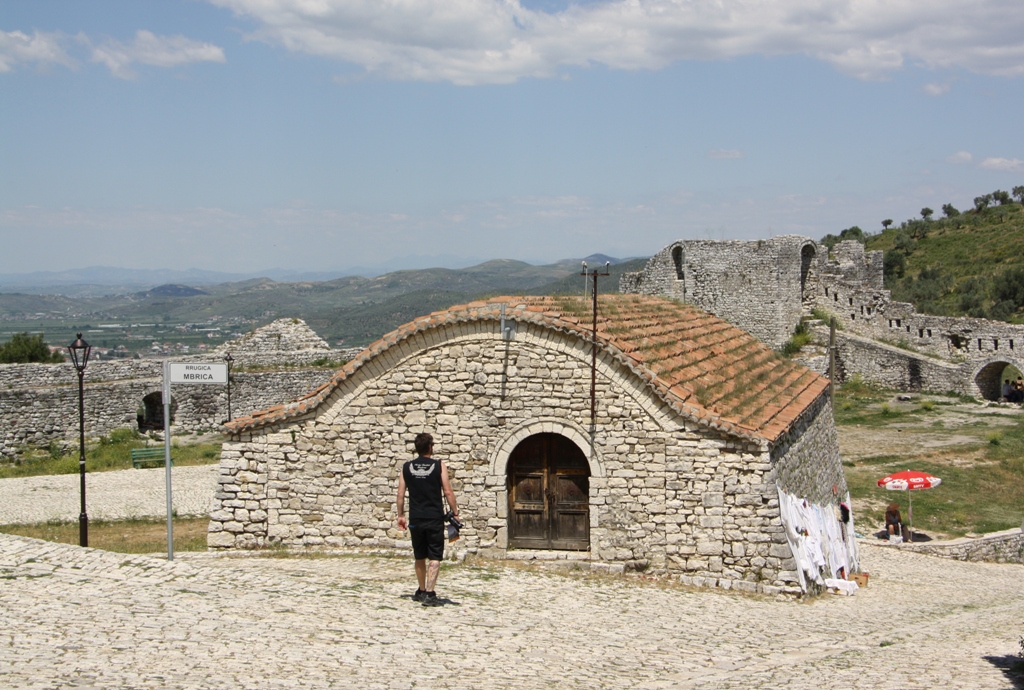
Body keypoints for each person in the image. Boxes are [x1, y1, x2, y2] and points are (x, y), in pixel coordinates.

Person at [396, 432, 459, 607]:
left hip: (416, 517)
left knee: (419, 555)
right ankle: (430, 594)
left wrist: (401, 515)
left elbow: (401, 493)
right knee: (434, 555)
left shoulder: (407, 467)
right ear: (430, 447)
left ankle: (421, 589)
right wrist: (455, 512)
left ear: (416, 448)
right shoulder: (439, 465)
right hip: (433, 517)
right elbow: (447, 491)